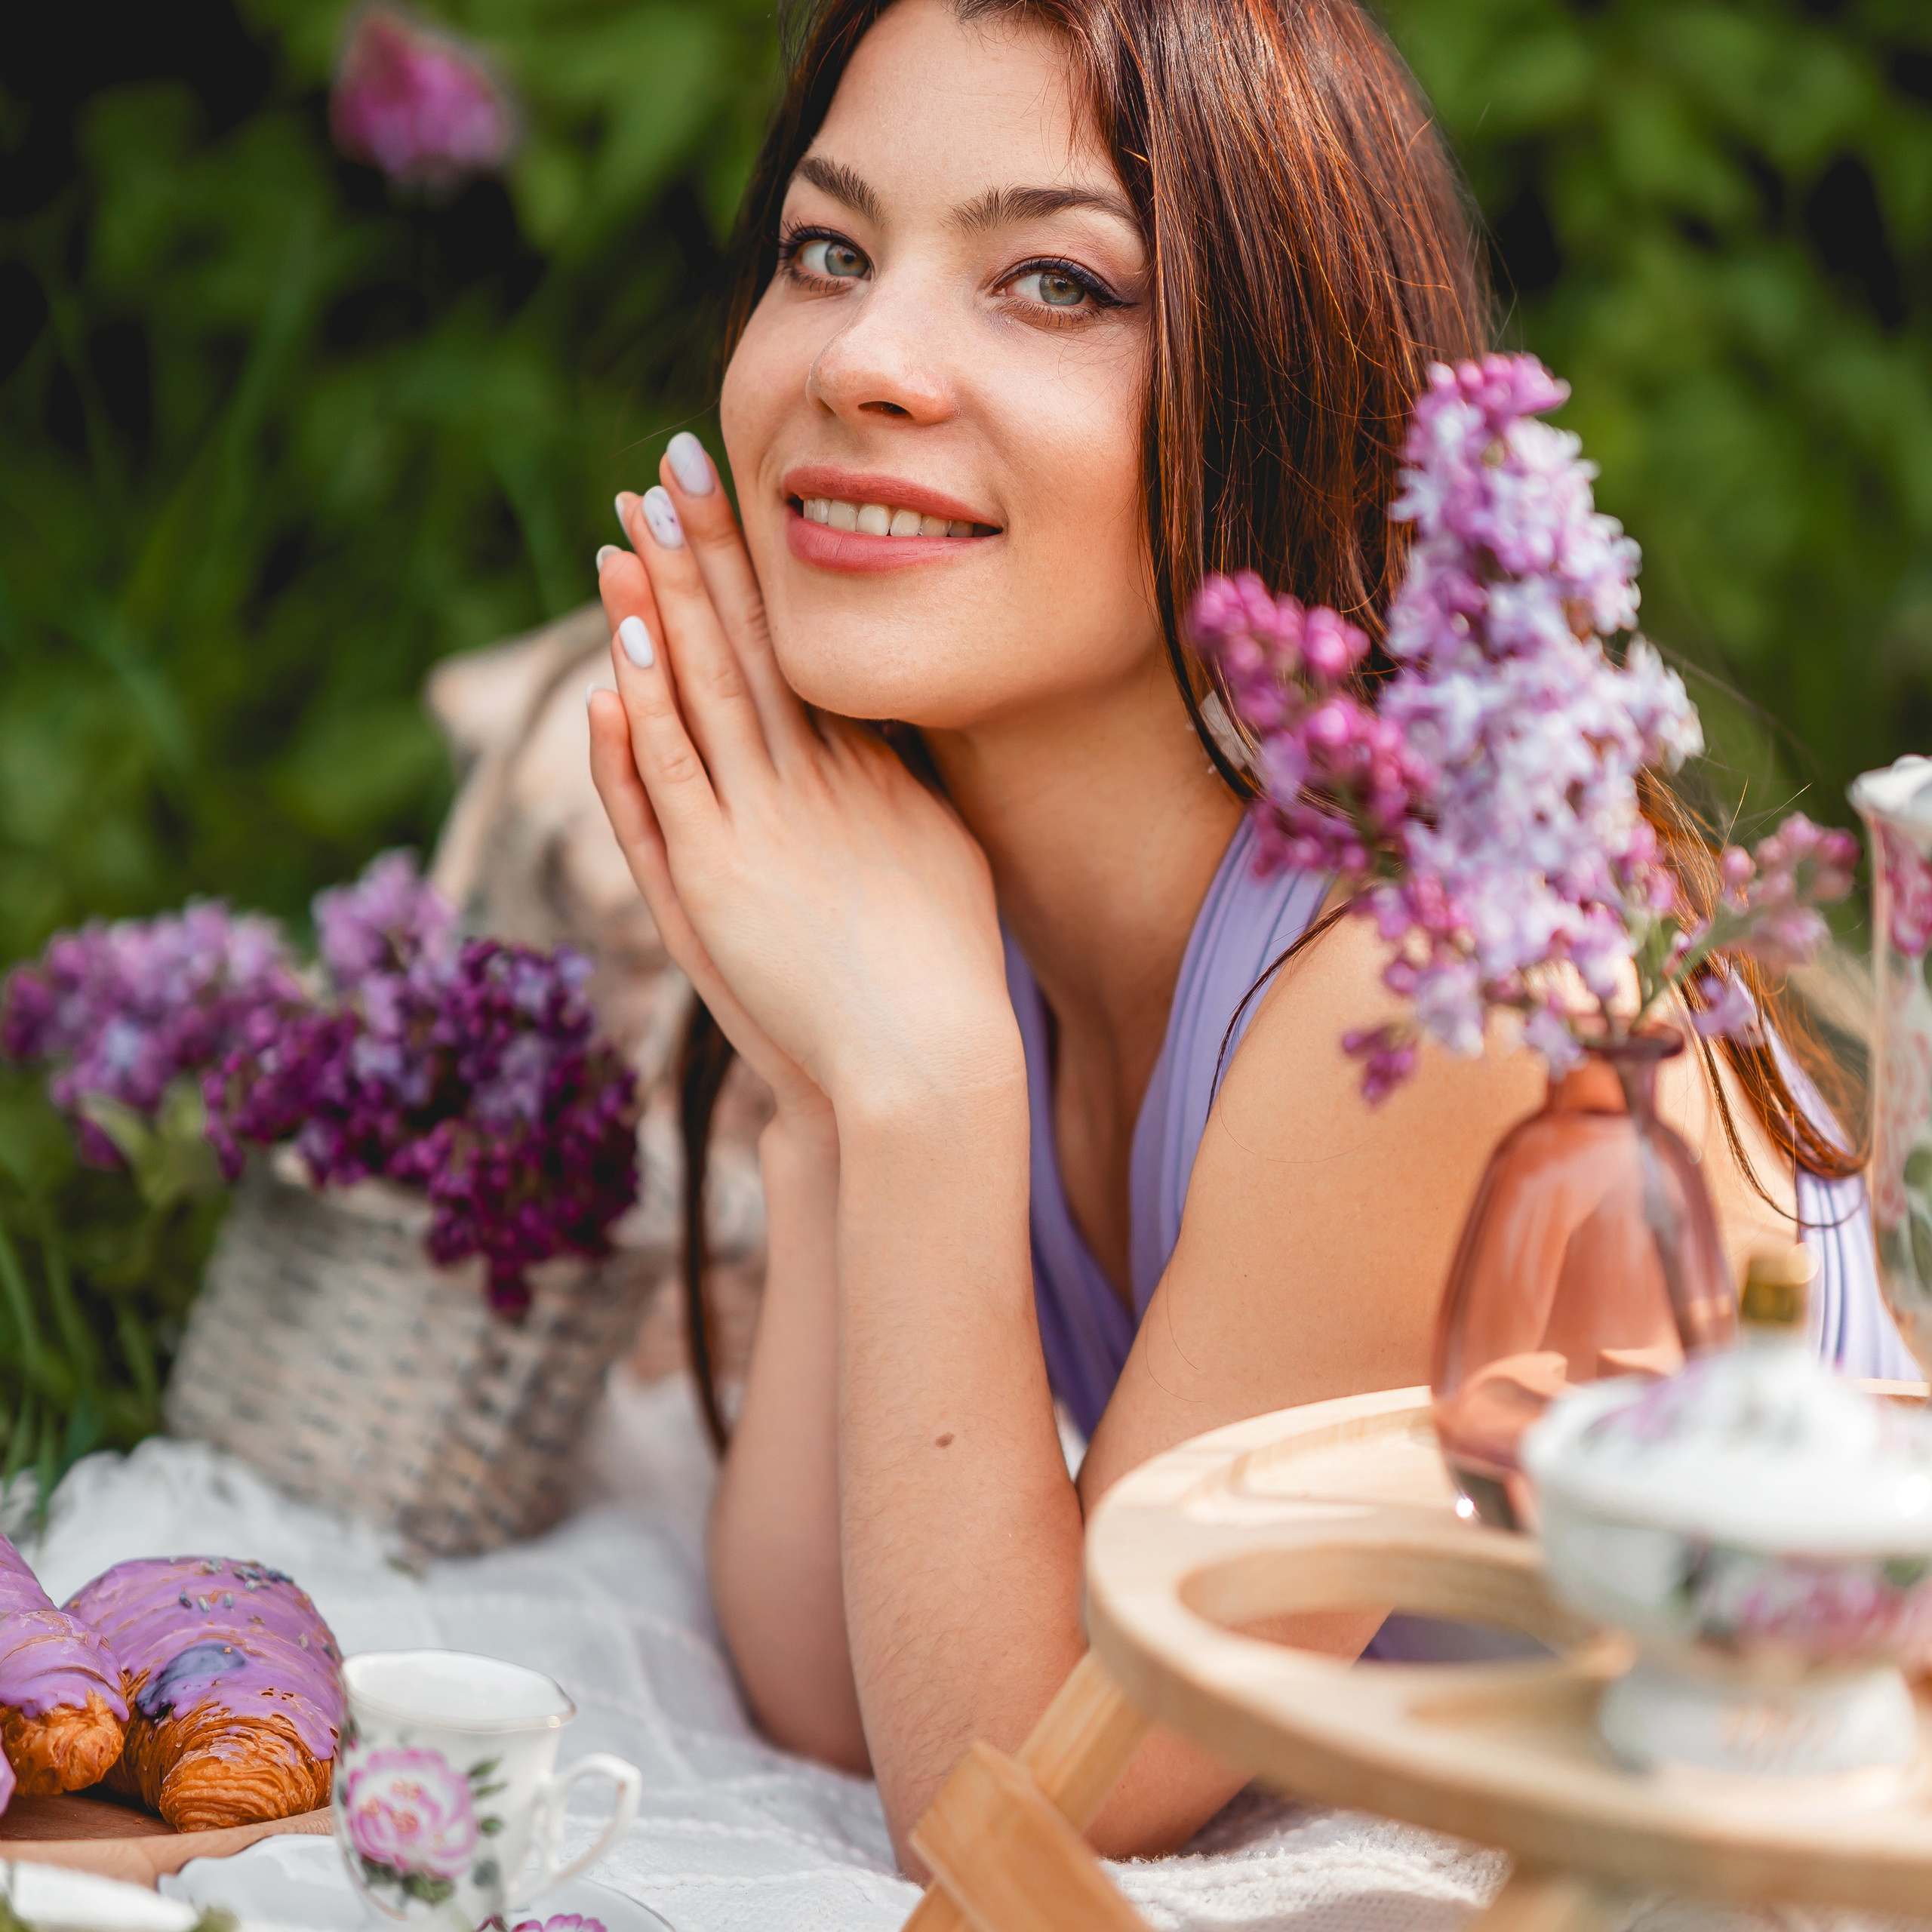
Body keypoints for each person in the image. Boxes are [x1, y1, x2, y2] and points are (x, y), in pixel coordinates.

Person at [586, 0, 1909, 1867]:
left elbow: (1018, 1803)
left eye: (1052, 281)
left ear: (1278, 374)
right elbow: (830, 1681)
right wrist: (836, 1095)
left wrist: (922, 1088)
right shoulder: (958, 887)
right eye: (828, 248)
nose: (866, 357)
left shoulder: (1431, 972)